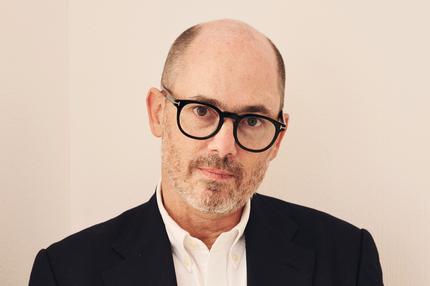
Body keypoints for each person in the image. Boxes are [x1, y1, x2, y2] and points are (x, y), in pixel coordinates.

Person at [29, 19, 384, 286]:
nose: (224, 146)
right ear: (158, 113)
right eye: (202, 111)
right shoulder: (65, 272)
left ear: (278, 137)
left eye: (252, 120)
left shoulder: (347, 259)